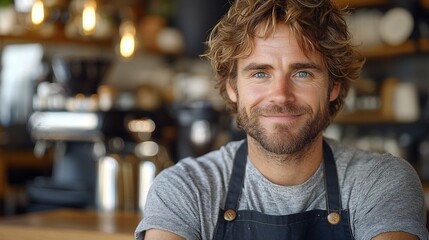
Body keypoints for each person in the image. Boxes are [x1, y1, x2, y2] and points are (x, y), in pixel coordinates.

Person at [135, 0, 428, 239]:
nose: (281, 95)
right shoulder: (186, 189)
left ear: (333, 86)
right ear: (233, 87)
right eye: (260, 73)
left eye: (303, 73)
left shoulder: (381, 183)